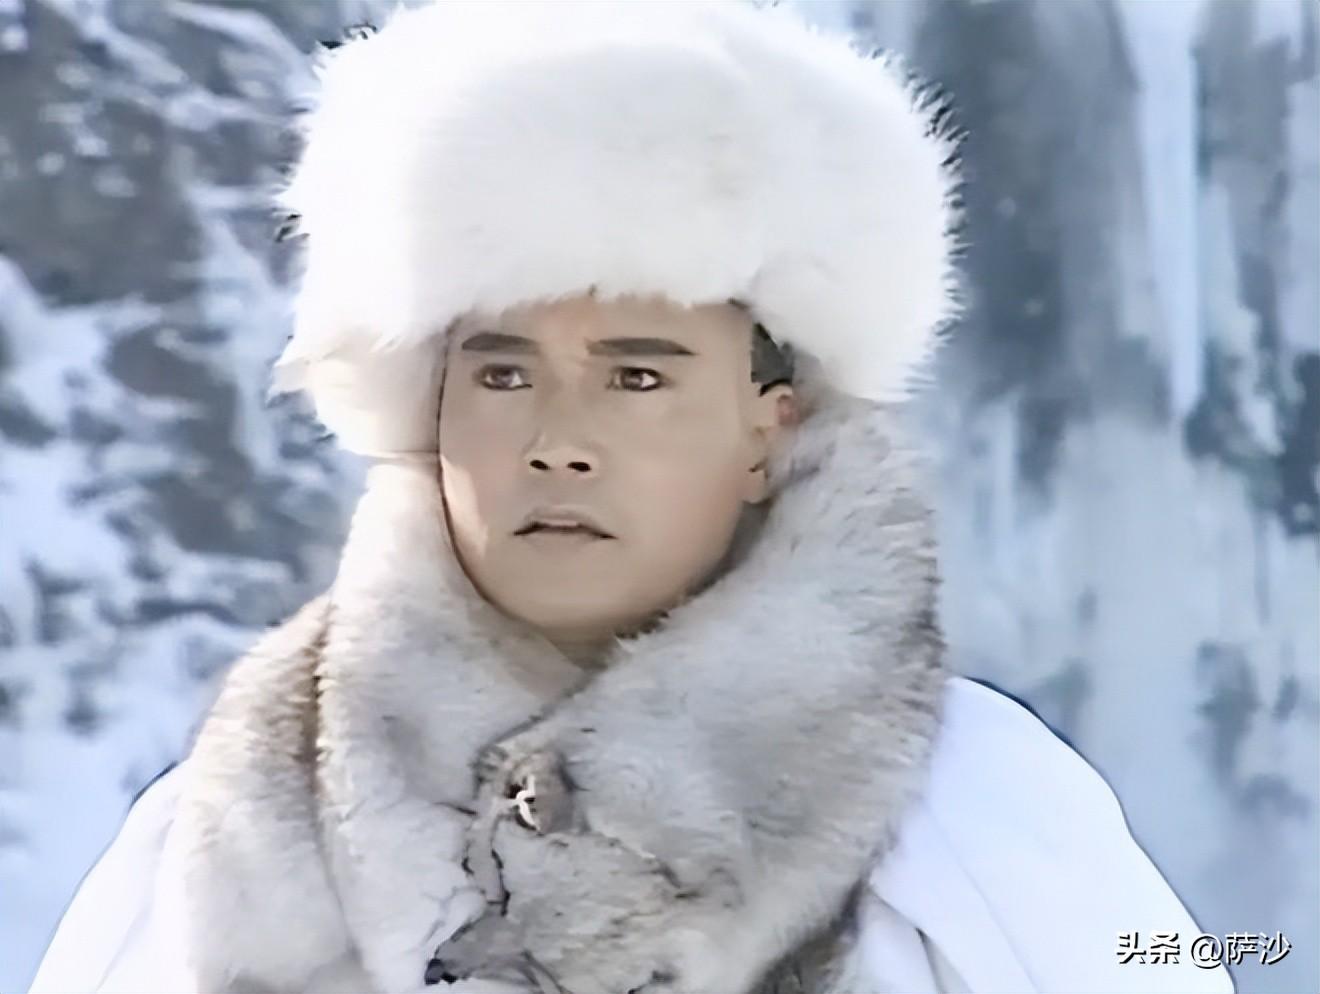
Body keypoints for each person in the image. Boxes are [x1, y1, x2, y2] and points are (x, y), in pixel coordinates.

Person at [29, 3, 1235, 993]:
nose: (558, 442)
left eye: (637, 377)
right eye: (503, 375)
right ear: (430, 414)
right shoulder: (228, 831)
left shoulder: (982, 814)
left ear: (770, 426)